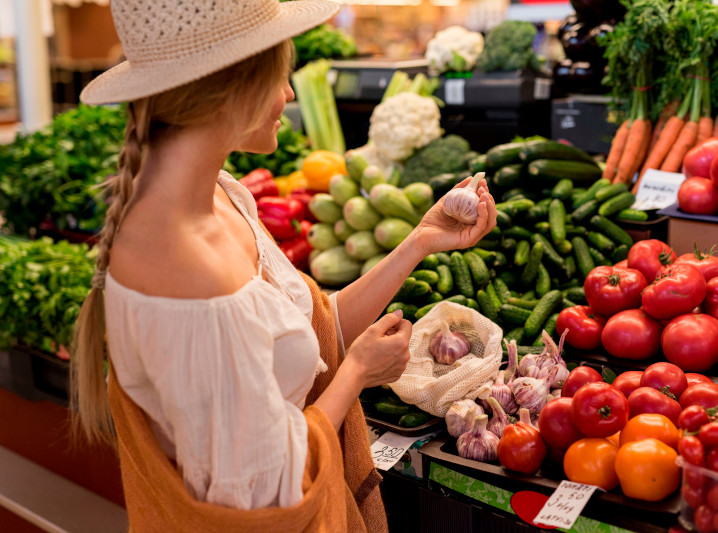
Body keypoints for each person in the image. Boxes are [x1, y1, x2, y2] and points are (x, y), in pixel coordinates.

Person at [70, 0, 497, 531]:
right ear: (234, 84)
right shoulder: (186, 269)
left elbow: (309, 329)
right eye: (280, 75)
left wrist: (419, 242)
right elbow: (269, 493)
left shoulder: (224, 196)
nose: (290, 94)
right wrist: (356, 373)